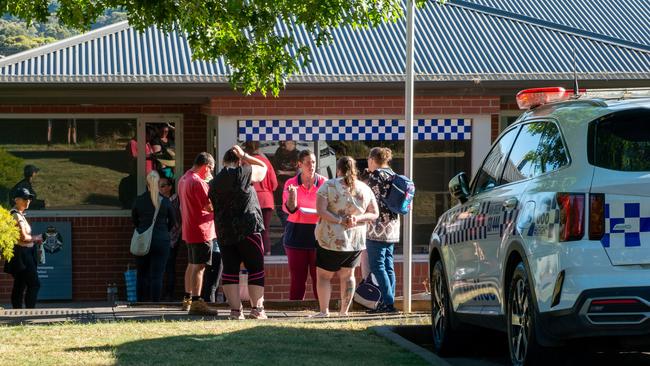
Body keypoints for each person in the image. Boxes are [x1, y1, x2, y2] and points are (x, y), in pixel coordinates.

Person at [313, 156, 378, 317]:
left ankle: (324, 311)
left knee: (323, 276)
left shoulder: (328, 185)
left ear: (338, 169)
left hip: (330, 239)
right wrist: (357, 218)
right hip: (355, 240)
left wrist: (340, 220)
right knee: (348, 276)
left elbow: (320, 210)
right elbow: (374, 213)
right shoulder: (364, 188)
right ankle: (344, 312)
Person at [209, 145, 268, 320]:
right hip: (248, 229)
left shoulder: (214, 182)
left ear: (223, 162)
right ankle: (257, 309)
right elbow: (263, 168)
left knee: (230, 270)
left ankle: (236, 311)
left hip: (225, 232)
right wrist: (246, 156)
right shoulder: (243, 172)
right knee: (255, 268)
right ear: (239, 161)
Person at [177, 152, 218, 315]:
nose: (211, 173)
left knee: (192, 264)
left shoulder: (184, 178)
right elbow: (209, 206)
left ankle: (187, 299)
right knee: (200, 267)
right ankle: (197, 302)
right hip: (202, 229)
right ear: (206, 166)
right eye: (211, 169)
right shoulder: (198, 182)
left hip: (189, 228)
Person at [282, 149, 326, 300]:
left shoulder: (323, 183)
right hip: (296, 235)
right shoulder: (291, 183)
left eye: (313, 162)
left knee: (319, 278)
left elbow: (330, 208)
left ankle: (322, 310)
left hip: (318, 234)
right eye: (307, 163)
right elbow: (291, 209)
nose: (311, 165)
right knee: (298, 280)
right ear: (300, 165)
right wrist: (293, 195)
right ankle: (294, 313)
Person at [365, 147, 400, 313]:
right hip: (393, 226)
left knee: (377, 265)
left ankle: (387, 302)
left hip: (377, 227)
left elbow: (369, 200)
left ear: (373, 160)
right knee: (388, 264)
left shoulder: (375, 177)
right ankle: (389, 300)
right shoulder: (392, 174)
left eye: (368, 160)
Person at [131, 171, 175, 302]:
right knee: (157, 275)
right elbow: (173, 221)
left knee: (141, 274)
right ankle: (154, 303)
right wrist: (163, 231)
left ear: (147, 184)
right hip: (161, 241)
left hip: (142, 240)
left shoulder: (139, 200)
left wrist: (143, 229)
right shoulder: (165, 201)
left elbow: (134, 220)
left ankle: (140, 302)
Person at [3, 188, 43, 308]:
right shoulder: (16, 215)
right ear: (16, 200)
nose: (28, 201)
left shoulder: (19, 214)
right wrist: (37, 237)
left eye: (29, 198)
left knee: (20, 283)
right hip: (22, 253)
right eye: (25, 198)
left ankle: (17, 312)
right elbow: (24, 237)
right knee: (34, 284)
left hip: (24, 253)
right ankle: (29, 312)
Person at [243, 141, 278, 255]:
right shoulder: (266, 162)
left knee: (251, 230)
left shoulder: (245, 162)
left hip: (251, 199)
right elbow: (274, 184)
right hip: (266, 200)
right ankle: (266, 252)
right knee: (265, 230)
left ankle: (253, 253)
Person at [159, 174, 182, 301]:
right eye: (158, 186)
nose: (160, 189)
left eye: (162, 186)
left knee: (169, 266)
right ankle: (158, 293)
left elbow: (177, 221)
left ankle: (169, 294)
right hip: (159, 237)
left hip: (172, 238)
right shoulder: (157, 200)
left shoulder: (175, 200)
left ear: (169, 187)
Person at [273, 141, 299, 236]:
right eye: (290, 142)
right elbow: (275, 170)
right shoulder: (279, 153)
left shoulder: (297, 154)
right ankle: (288, 229)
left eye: (293, 142)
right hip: (280, 185)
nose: (293, 144)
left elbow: (297, 172)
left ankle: (291, 231)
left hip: (293, 185)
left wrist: (283, 173)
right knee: (281, 209)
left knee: (293, 208)